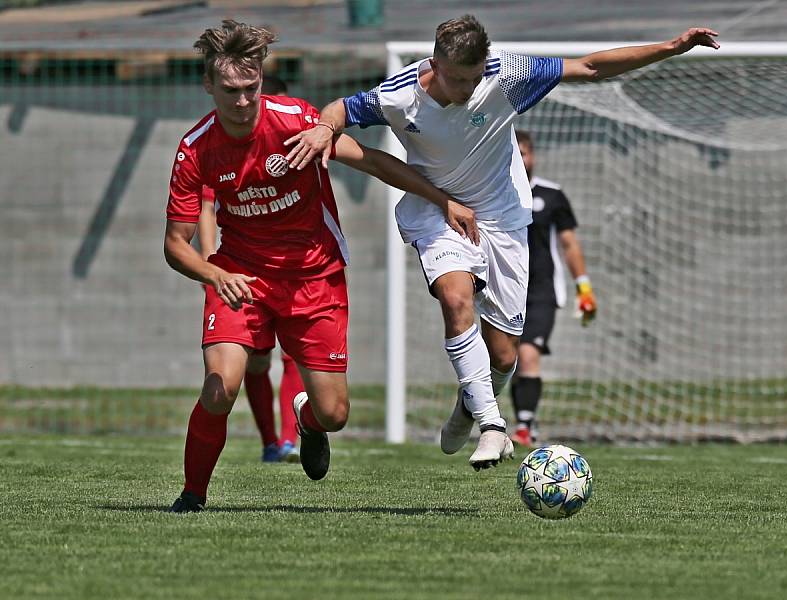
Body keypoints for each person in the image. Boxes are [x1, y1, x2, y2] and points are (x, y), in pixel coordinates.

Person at [285, 15, 719, 470]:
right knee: (456, 299)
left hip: (504, 218)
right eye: (456, 78)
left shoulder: (506, 74)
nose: (467, 89)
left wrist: (671, 47)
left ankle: (467, 406)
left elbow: (590, 68)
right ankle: (493, 425)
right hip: (438, 212)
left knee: (505, 355)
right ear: (435, 63)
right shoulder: (402, 94)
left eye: (474, 78)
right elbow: (341, 108)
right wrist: (323, 127)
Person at [165, 20, 478, 512]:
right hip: (241, 277)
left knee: (334, 413)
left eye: (251, 88)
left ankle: (307, 422)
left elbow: (372, 160)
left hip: (315, 277)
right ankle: (192, 494)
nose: (243, 101)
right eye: (230, 90)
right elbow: (175, 245)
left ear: (261, 82)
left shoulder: (295, 121)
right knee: (220, 386)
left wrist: (442, 201)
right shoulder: (195, 149)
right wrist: (215, 274)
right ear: (208, 86)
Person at [197, 74, 302, 463]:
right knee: (256, 361)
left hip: (292, 267)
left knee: (292, 355)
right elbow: (206, 205)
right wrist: (212, 268)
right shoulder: (217, 147)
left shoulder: (294, 139)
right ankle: (271, 443)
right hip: (245, 269)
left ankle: (290, 441)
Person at [510, 130, 596, 448]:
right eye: (514, 152)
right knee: (509, 360)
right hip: (505, 290)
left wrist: (584, 288)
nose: (521, 158)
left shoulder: (552, 195)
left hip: (543, 293)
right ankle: (520, 424)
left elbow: (569, 243)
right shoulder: (493, 193)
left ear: (533, 156)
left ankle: (524, 427)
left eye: (525, 152)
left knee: (529, 354)